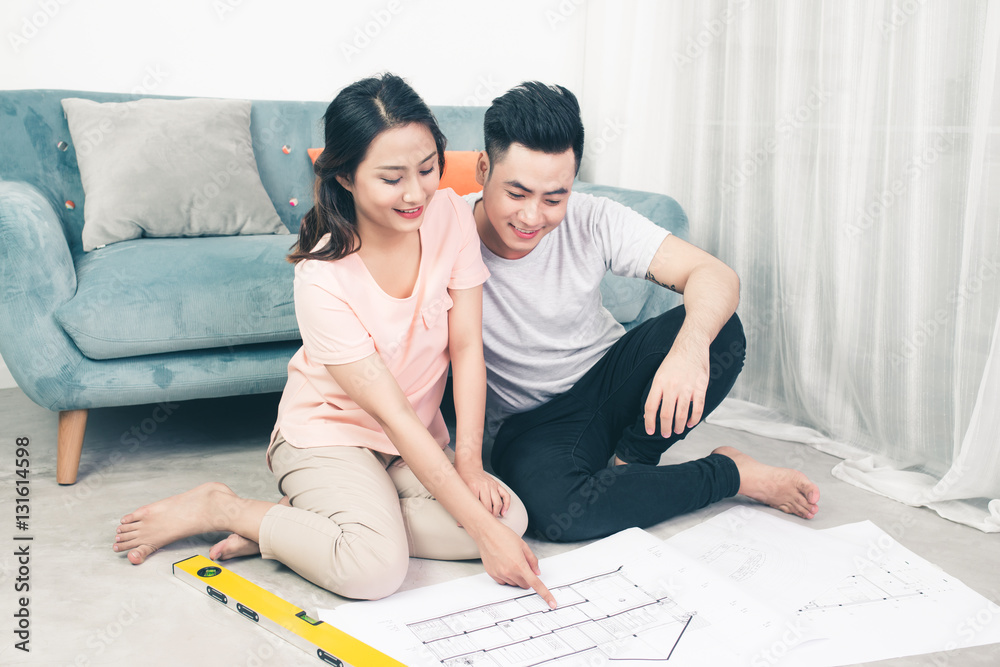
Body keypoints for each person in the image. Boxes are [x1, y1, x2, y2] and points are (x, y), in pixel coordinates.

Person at [114, 73, 556, 607]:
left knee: (511, 516)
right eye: (392, 178)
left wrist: (468, 466)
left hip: (410, 444)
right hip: (330, 437)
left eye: (427, 168)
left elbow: (466, 350)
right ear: (345, 175)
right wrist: (485, 539)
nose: (416, 192)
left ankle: (322, 525)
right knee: (374, 570)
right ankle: (223, 507)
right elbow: (391, 414)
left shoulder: (451, 218)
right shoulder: (322, 276)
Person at [462, 82, 821, 543]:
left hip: (610, 382)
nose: (533, 217)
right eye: (517, 193)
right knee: (556, 512)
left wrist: (689, 351)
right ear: (483, 168)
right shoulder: (444, 230)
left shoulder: (592, 218)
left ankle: (633, 462)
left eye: (554, 198)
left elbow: (714, 275)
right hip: (532, 424)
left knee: (720, 331)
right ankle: (731, 474)